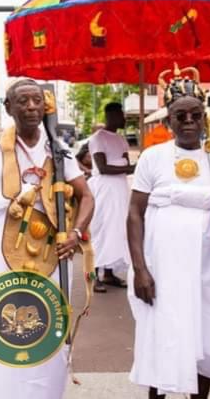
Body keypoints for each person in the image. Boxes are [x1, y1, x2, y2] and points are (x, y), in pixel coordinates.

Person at [0, 79, 95, 399]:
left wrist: (75, 234)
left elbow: (86, 196)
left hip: (50, 250)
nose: (31, 107)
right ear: (8, 108)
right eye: (23, 101)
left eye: (37, 100)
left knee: (45, 322)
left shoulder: (58, 150)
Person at [127, 65, 210, 399]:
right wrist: (140, 268)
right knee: (164, 332)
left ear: (204, 118)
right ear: (168, 121)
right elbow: (135, 214)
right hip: (164, 266)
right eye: (179, 116)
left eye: (195, 115)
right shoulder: (152, 158)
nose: (188, 122)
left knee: (208, 335)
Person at [88, 102, 134, 292]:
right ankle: (94, 274)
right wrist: (130, 168)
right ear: (111, 115)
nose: (124, 119)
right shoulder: (98, 138)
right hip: (104, 189)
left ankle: (108, 274)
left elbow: (124, 162)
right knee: (102, 229)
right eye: (121, 115)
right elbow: (103, 167)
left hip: (120, 189)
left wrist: (129, 168)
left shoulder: (121, 139)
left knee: (117, 230)